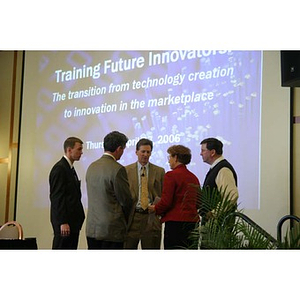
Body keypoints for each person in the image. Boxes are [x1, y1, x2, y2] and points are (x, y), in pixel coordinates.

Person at [85, 131, 133, 249]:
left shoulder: (92, 166)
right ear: (118, 148)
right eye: (123, 149)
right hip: (112, 230)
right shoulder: (118, 169)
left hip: (92, 228)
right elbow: (126, 200)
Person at [148, 145, 200, 249]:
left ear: (176, 158)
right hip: (192, 224)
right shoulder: (194, 177)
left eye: (169, 157)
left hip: (175, 225)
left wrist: (155, 208)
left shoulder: (171, 175)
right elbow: (198, 202)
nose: (169, 161)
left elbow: (166, 201)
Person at [124, 138, 165, 249]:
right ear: (136, 152)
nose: (145, 154)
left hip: (151, 217)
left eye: (148, 152)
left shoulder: (159, 171)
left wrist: (157, 207)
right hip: (133, 217)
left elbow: (162, 194)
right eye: (143, 151)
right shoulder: (126, 170)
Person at [49, 137, 85, 249]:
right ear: (69, 150)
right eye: (79, 149)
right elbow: (57, 198)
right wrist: (62, 222)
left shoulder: (70, 168)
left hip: (72, 223)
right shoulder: (60, 169)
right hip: (65, 224)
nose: (81, 152)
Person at [200, 137, 238, 223]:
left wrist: (214, 213)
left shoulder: (223, 169)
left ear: (212, 152)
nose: (200, 154)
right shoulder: (216, 168)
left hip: (218, 225)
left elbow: (232, 195)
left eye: (203, 150)